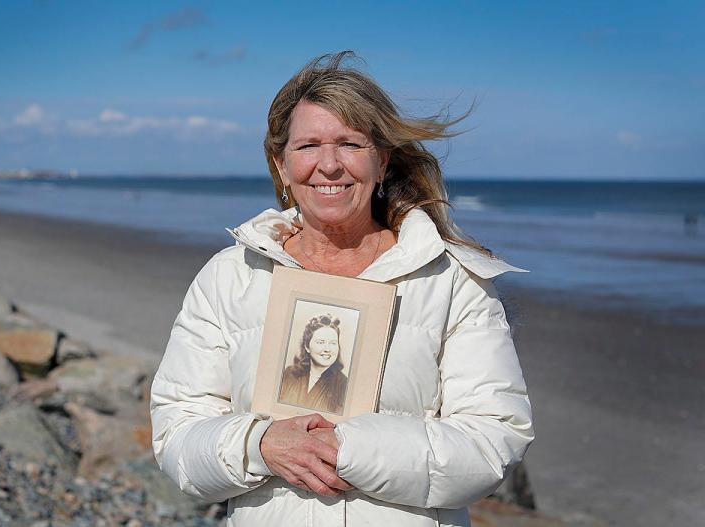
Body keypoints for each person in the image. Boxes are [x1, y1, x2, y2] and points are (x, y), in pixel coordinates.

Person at [150, 51, 534, 527]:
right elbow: (177, 435)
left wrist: (347, 448)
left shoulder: (452, 280)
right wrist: (260, 445)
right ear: (281, 164)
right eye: (308, 146)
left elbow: (495, 441)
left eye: (350, 144)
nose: (328, 166)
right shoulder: (229, 276)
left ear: (381, 160)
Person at [278, 314, 348, 415]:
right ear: (307, 346)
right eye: (320, 342)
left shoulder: (344, 386)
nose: (327, 349)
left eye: (333, 343)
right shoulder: (289, 374)